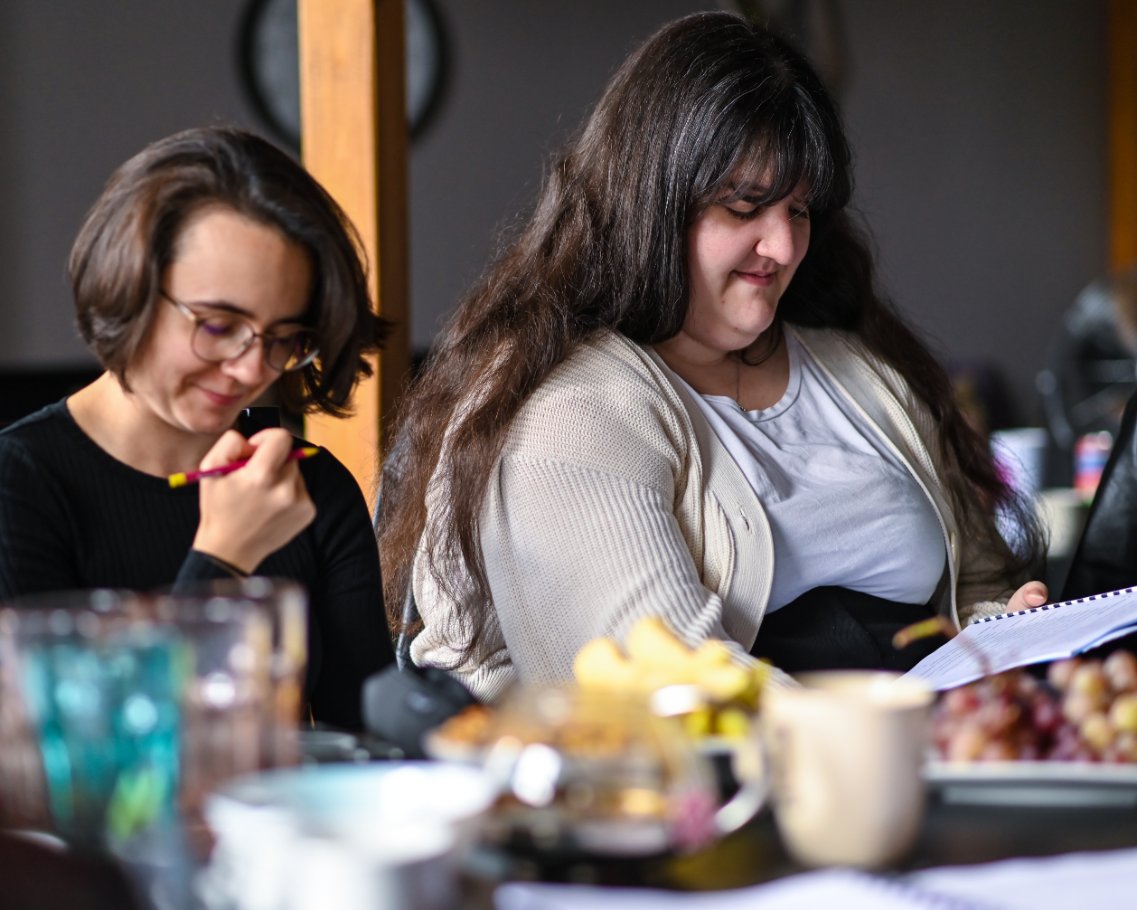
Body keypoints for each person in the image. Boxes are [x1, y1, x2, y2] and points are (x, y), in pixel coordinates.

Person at [378, 12, 1048, 704]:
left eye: (797, 210)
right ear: (653, 204)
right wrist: (892, 732)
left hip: (922, 743)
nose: (783, 247)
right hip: (757, 762)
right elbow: (677, 685)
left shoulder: (860, 372)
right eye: (744, 207)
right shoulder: (571, 415)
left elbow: (975, 587)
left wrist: (1005, 627)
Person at [0, 126, 394, 729]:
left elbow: (367, 740)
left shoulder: (310, 488)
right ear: (129, 283)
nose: (252, 370)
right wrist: (224, 558)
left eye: (285, 338)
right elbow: (84, 754)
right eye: (217, 325)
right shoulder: (20, 484)